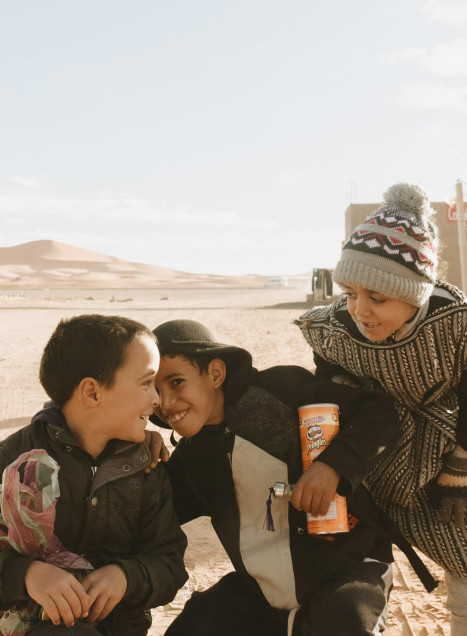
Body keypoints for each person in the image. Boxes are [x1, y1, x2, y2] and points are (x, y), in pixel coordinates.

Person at [150, 318, 400, 636]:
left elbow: (378, 412)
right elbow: (150, 509)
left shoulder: (282, 390)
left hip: (349, 569)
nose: (166, 403)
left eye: (176, 382)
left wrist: (332, 466)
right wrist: (136, 447)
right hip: (259, 592)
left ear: (215, 374)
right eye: (154, 390)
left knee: (344, 621)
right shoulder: (192, 457)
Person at [295, 181, 467, 635]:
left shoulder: (455, 322)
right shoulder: (335, 327)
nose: (361, 311)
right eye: (350, 294)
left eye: (378, 298)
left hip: (451, 448)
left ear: (415, 294)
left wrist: (460, 469)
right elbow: (330, 377)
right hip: (380, 446)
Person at [0, 314, 188, 636]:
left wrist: (126, 576)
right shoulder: (14, 460)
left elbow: (169, 561)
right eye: (146, 383)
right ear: (92, 392)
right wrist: (26, 574)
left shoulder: (146, 466)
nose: (157, 400)